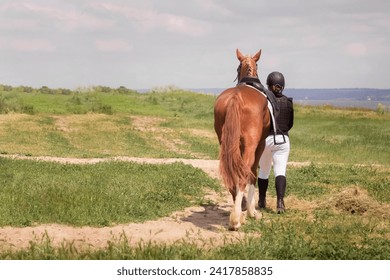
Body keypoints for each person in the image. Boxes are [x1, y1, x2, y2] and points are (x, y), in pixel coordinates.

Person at [258, 71, 294, 213]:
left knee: (264, 171)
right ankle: (280, 202)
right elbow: (290, 123)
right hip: (283, 140)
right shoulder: (288, 102)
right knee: (280, 171)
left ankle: (261, 201)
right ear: (282, 86)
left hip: (267, 139)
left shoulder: (265, 102)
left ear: (269, 85)